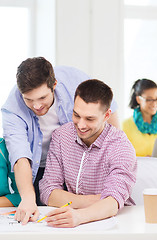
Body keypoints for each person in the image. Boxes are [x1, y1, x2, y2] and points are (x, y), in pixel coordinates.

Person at [1, 57, 120, 224]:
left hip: (77, 162)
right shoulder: (12, 108)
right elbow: (20, 155)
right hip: (35, 169)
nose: (36, 106)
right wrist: (28, 198)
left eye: (42, 98)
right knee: (44, 216)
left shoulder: (73, 80)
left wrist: (117, 147)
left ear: (54, 85)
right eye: (28, 99)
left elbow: (107, 107)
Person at [39, 79, 136, 228]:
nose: (81, 125)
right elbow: (48, 192)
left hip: (115, 224)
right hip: (74, 223)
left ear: (106, 115)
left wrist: (79, 215)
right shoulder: (61, 136)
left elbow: (113, 201)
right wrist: (96, 201)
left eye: (90, 119)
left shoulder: (120, 145)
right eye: (76, 115)